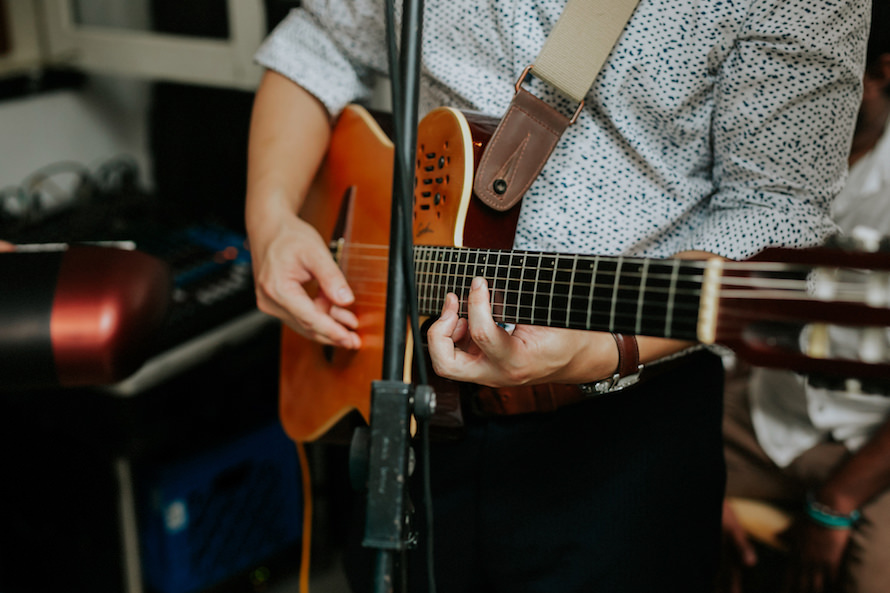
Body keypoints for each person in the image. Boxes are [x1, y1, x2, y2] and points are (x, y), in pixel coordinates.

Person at [244, 1, 868, 591]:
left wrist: (601, 350)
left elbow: (777, 217)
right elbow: (318, 42)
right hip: (403, 402)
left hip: (624, 447)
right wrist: (271, 220)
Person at [721, 4, 890, 593]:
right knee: (650, 490)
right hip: (774, 410)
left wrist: (837, 501)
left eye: (844, 75)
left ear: (884, 72)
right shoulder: (776, 155)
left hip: (876, 446)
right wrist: (695, 476)